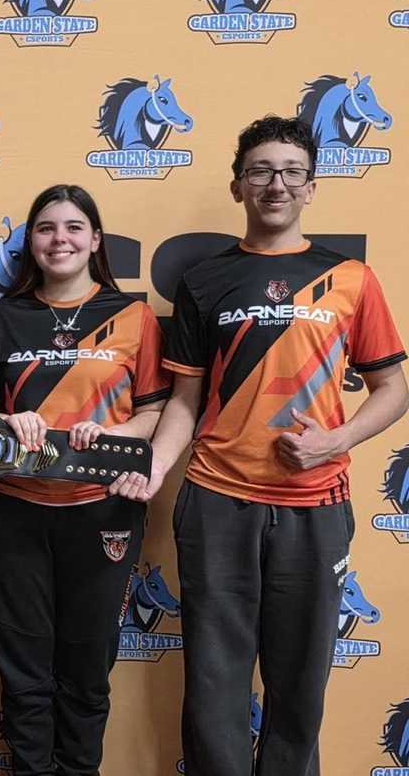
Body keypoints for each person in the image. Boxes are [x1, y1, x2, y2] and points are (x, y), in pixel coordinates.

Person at [114, 115, 409, 776]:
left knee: (299, 685)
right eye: (261, 171)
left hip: (316, 503)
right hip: (216, 501)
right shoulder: (203, 282)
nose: (276, 183)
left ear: (311, 187)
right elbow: (184, 401)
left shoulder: (352, 278)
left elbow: (393, 389)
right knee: (214, 684)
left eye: (291, 171)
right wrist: (154, 466)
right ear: (238, 186)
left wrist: (336, 439)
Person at [0, 184, 170, 776]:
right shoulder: (2, 315)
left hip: (102, 507)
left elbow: (154, 410)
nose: (60, 239)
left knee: (87, 669)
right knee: (22, 668)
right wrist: (4, 420)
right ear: (30, 242)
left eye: (74, 227)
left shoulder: (132, 316)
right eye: (46, 228)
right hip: (12, 507)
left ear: (95, 239)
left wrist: (115, 434)